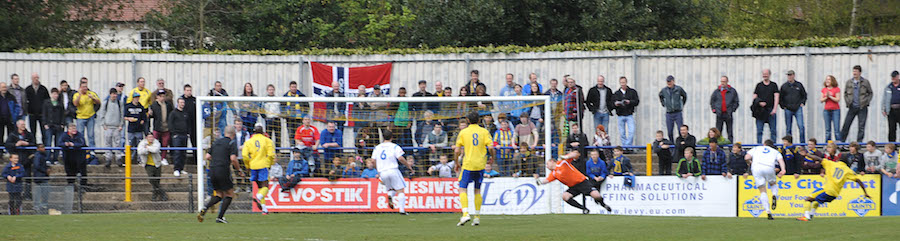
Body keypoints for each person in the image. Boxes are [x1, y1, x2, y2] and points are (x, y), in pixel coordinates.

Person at [796, 145, 872, 221]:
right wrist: (865, 193)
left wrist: (807, 154)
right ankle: (811, 214)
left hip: (827, 189)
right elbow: (858, 180)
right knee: (816, 201)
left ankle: (806, 216)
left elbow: (818, 158)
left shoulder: (831, 164)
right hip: (835, 194)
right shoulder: (848, 171)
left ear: (838, 158)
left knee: (808, 199)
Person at [534, 150, 611, 214]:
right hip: (573, 187)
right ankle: (584, 209)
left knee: (596, 195)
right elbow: (545, 181)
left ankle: (603, 204)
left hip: (582, 182)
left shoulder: (562, 162)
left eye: (547, 164)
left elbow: (576, 154)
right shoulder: (553, 174)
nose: (546, 166)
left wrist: (566, 157)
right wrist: (538, 180)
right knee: (565, 196)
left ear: (552, 161)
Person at [454, 111, 495, 226]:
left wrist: (456, 162)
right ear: (479, 120)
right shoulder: (484, 131)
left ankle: (465, 214)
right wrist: (492, 157)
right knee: (477, 190)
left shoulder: (463, 132)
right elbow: (491, 147)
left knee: (462, 189)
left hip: (468, 165)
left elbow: (457, 150)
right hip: (480, 165)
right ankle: (477, 217)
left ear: (467, 120)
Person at [198, 125, 244, 224]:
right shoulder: (232, 143)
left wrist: (217, 158)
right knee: (230, 194)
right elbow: (233, 159)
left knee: (219, 194)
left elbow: (207, 156)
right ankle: (220, 217)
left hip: (212, 170)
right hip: (223, 170)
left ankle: (205, 207)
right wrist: (239, 170)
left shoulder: (216, 142)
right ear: (234, 134)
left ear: (224, 133)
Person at [372, 129, 413, 215]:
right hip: (393, 170)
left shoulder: (377, 148)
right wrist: (408, 166)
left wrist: (378, 170)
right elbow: (400, 158)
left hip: (383, 172)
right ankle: (402, 210)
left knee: (392, 188)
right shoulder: (394, 146)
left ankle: (390, 195)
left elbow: (373, 160)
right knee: (400, 190)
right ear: (392, 137)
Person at [744, 140, 786, 220]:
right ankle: (774, 194)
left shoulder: (756, 148)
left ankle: (768, 211)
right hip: (769, 167)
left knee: (762, 190)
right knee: (773, 184)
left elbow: (747, 157)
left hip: (756, 168)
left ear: (764, 144)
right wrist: (783, 169)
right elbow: (781, 160)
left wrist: (749, 162)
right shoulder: (775, 151)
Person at [243, 125, 276, 215]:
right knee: (265, 187)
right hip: (263, 165)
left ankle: (264, 209)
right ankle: (258, 197)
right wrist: (270, 163)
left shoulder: (248, 141)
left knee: (260, 188)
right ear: (263, 132)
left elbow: (245, 155)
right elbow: (271, 154)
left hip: (253, 166)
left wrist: (247, 165)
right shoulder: (267, 140)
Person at [841, 65, 873, 142]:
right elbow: (845, 93)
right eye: (853, 71)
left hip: (862, 107)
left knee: (861, 126)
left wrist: (866, 101)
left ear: (860, 72)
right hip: (852, 107)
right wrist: (847, 102)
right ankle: (842, 142)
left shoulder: (865, 82)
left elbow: (870, 93)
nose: (854, 73)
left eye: (856, 71)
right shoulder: (849, 82)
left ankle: (859, 143)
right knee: (846, 125)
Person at [5, 119, 35, 198]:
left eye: (24, 124)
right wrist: (16, 144)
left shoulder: (29, 134)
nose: (23, 126)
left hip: (27, 159)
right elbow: (7, 144)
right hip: (16, 161)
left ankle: (27, 194)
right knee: (16, 177)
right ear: (17, 125)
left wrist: (27, 144)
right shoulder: (12, 134)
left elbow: (34, 144)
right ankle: (15, 194)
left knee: (28, 177)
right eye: (22, 124)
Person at [137, 133, 168, 201]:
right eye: (149, 137)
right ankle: (162, 193)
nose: (151, 139)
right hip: (148, 164)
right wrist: (148, 150)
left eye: (152, 137)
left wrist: (147, 148)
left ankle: (155, 196)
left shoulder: (156, 142)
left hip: (157, 164)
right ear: (146, 138)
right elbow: (140, 151)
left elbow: (155, 150)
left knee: (157, 180)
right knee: (151, 179)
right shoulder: (142, 143)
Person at [98, 88, 124, 167]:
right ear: (110, 94)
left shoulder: (119, 103)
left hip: (116, 127)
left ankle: (118, 158)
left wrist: (121, 124)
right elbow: (102, 114)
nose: (114, 96)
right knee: (108, 143)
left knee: (118, 143)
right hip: (108, 127)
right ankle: (108, 159)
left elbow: (122, 114)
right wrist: (103, 125)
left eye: (115, 94)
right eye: (113, 94)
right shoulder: (105, 103)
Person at [753, 69, 780, 144]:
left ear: (769, 75)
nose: (765, 75)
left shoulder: (773, 85)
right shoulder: (759, 85)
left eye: (766, 74)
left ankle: (773, 146)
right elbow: (754, 98)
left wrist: (774, 109)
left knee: (773, 131)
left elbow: (776, 97)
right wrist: (759, 103)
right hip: (760, 111)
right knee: (759, 131)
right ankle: (759, 146)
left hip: (770, 110)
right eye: (764, 74)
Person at [780, 70, 807, 142]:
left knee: (801, 126)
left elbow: (804, 95)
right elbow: (780, 97)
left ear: (794, 75)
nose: (789, 76)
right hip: (788, 109)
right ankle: (789, 144)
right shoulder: (784, 86)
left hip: (798, 108)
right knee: (788, 128)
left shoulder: (799, 85)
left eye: (791, 75)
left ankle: (802, 144)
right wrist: (783, 106)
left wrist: (802, 103)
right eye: (788, 75)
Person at [710, 76, 739, 141]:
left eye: (724, 81)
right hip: (719, 113)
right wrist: (714, 109)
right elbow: (712, 101)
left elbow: (736, 101)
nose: (722, 83)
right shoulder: (716, 91)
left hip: (728, 113)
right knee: (718, 131)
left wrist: (732, 109)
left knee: (729, 131)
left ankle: (730, 144)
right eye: (721, 81)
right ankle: (718, 144)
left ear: (727, 82)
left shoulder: (732, 91)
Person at [658, 75, 687, 141]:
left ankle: (681, 142)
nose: (669, 83)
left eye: (670, 81)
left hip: (677, 112)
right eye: (668, 82)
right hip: (669, 113)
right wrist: (663, 103)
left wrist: (682, 104)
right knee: (670, 131)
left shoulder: (678, 89)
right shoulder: (664, 90)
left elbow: (684, 96)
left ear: (673, 81)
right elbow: (660, 96)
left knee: (680, 130)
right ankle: (672, 144)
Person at [612, 77, 639, 146]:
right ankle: (625, 147)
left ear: (626, 82)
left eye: (624, 82)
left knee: (631, 131)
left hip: (629, 114)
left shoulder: (632, 92)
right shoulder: (616, 93)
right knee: (622, 133)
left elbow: (636, 101)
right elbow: (612, 104)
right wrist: (616, 104)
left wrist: (629, 102)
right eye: (621, 83)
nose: (622, 84)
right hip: (620, 115)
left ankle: (627, 145)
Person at [72, 81, 101, 147]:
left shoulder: (91, 93)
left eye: (86, 87)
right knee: (80, 134)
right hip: (80, 117)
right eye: (83, 87)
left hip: (90, 116)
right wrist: (79, 95)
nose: (85, 88)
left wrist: (93, 98)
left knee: (91, 134)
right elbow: (75, 104)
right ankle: (81, 148)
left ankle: (92, 149)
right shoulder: (76, 95)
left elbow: (98, 102)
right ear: (80, 88)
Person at [149, 90, 174, 162]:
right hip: (157, 127)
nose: (162, 98)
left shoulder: (168, 105)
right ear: (157, 97)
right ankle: (155, 158)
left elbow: (171, 115)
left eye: (163, 96)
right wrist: (150, 114)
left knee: (165, 144)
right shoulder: (154, 105)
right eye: (160, 96)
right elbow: (151, 116)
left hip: (166, 128)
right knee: (155, 143)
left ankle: (163, 158)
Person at [168, 98, 190, 176]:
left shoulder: (185, 113)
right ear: (177, 103)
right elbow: (170, 124)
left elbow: (188, 123)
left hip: (184, 135)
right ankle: (176, 169)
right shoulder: (173, 113)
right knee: (177, 152)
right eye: (181, 102)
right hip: (177, 135)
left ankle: (181, 168)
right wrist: (174, 133)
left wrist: (188, 133)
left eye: (183, 102)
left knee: (183, 153)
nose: (182, 104)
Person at [42, 88, 65, 163]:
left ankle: (55, 158)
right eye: (54, 94)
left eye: (56, 94)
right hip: (49, 125)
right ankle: (48, 158)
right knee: (48, 142)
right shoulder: (46, 103)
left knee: (57, 143)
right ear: (51, 94)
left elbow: (63, 114)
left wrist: (62, 124)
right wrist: (45, 123)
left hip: (58, 125)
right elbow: (44, 113)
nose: (55, 96)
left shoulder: (60, 103)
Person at [24, 73, 49, 139]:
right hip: (31, 113)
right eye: (34, 78)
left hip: (42, 114)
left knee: (44, 132)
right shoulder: (28, 89)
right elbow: (24, 101)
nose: (36, 79)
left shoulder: (43, 89)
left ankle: (44, 145)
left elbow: (47, 101)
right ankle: (33, 144)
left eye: (37, 77)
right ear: (32, 79)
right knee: (32, 131)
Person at [124, 92, 147, 164]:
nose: (137, 99)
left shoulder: (141, 106)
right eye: (135, 97)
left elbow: (144, 117)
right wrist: (129, 118)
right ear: (133, 98)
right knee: (130, 145)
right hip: (131, 129)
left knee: (139, 145)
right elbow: (124, 117)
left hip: (139, 129)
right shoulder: (128, 106)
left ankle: (139, 160)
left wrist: (142, 121)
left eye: (138, 97)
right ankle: (129, 160)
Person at [821, 75, 842, 141]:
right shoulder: (824, 89)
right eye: (826, 79)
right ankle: (828, 144)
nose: (827, 81)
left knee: (836, 129)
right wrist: (826, 97)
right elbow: (821, 100)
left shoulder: (836, 89)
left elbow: (837, 99)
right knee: (828, 130)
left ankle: (838, 144)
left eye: (829, 79)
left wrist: (830, 96)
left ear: (832, 81)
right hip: (826, 110)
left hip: (835, 110)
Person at [31, 144, 50, 214]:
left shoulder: (42, 155)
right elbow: (37, 166)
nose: (43, 148)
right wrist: (45, 171)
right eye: (41, 147)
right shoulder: (38, 156)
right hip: (40, 177)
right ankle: (39, 206)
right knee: (41, 192)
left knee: (45, 191)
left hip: (42, 176)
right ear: (37, 149)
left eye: (43, 147)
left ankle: (41, 205)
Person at [885, 71, 900, 141]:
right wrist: (884, 108)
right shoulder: (888, 87)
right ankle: (892, 144)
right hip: (891, 110)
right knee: (892, 128)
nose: (893, 78)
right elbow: (884, 98)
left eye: (894, 77)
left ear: (898, 77)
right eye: (892, 77)